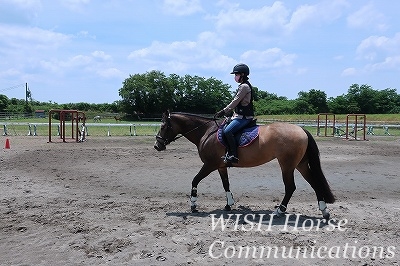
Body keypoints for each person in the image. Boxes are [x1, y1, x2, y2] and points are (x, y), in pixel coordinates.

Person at [215, 63, 254, 164]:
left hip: (244, 117)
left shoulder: (244, 87)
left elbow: (235, 101)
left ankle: (234, 155)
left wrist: (224, 110)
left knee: (228, 131)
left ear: (243, 74)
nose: (235, 77)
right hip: (238, 115)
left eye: (236, 75)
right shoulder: (243, 86)